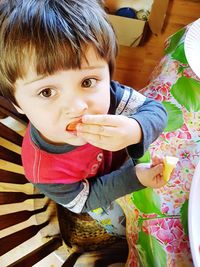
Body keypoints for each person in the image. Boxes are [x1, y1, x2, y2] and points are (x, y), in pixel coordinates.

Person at [0, 0, 168, 236]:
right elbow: (83, 200)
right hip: (103, 194)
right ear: (17, 103)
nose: (78, 107)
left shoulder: (112, 95)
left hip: (133, 159)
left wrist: (136, 129)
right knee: (128, 229)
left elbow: (157, 111)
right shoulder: (42, 170)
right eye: (47, 92)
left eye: (87, 82)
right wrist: (135, 177)